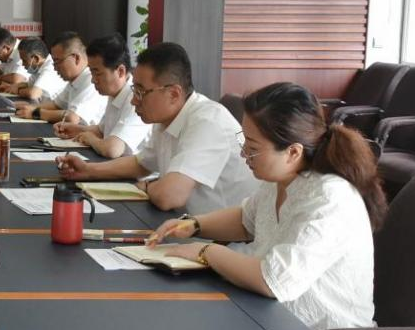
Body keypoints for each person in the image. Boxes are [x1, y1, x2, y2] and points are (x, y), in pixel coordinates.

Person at [146, 82, 385, 330]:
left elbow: (273, 280)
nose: (244, 154)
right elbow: (246, 220)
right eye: (244, 141)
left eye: (253, 148)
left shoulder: (329, 197)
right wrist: (195, 225)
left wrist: (205, 252)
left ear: (293, 152)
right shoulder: (282, 179)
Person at [58, 42, 256, 212]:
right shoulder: (165, 118)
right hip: (185, 225)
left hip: (221, 239)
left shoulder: (208, 122)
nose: (134, 101)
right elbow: (142, 164)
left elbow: (169, 196)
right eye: (134, 90)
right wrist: (88, 170)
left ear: (173, 94)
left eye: (141, 92)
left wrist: (147, 187)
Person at [53, 34, 150, 159]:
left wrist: (91, 139)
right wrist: (76, 130)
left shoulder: (135, 99)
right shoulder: (115, 93)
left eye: (97, 73)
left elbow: (112, 149)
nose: (93, 80)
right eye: (91, 73)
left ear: (120, 71)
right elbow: (101, 131)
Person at [13, 32, 107, 125]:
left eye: (57, 61)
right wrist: (31, 107)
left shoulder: (91, 80)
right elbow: (56, 105)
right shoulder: (75, 80)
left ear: (76, 58)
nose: (55, 68)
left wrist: (36, 113)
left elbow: (72, 118)